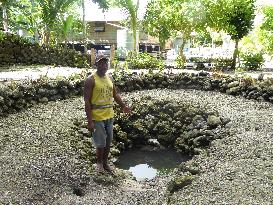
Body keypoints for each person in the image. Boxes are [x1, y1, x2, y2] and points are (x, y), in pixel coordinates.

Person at [84, 54, 131, 173]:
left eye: (106, 63)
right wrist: (90, 121)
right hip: (97, 116)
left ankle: (105, 163)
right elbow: (87, 101)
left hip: (109, 115)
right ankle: (99, 163)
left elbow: (115, 94)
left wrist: (123, 106)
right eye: (101, 63)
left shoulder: (110, 78)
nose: (104, 65)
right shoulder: (91, 80)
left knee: (108, 141)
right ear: (96, 65)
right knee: (100, 143)